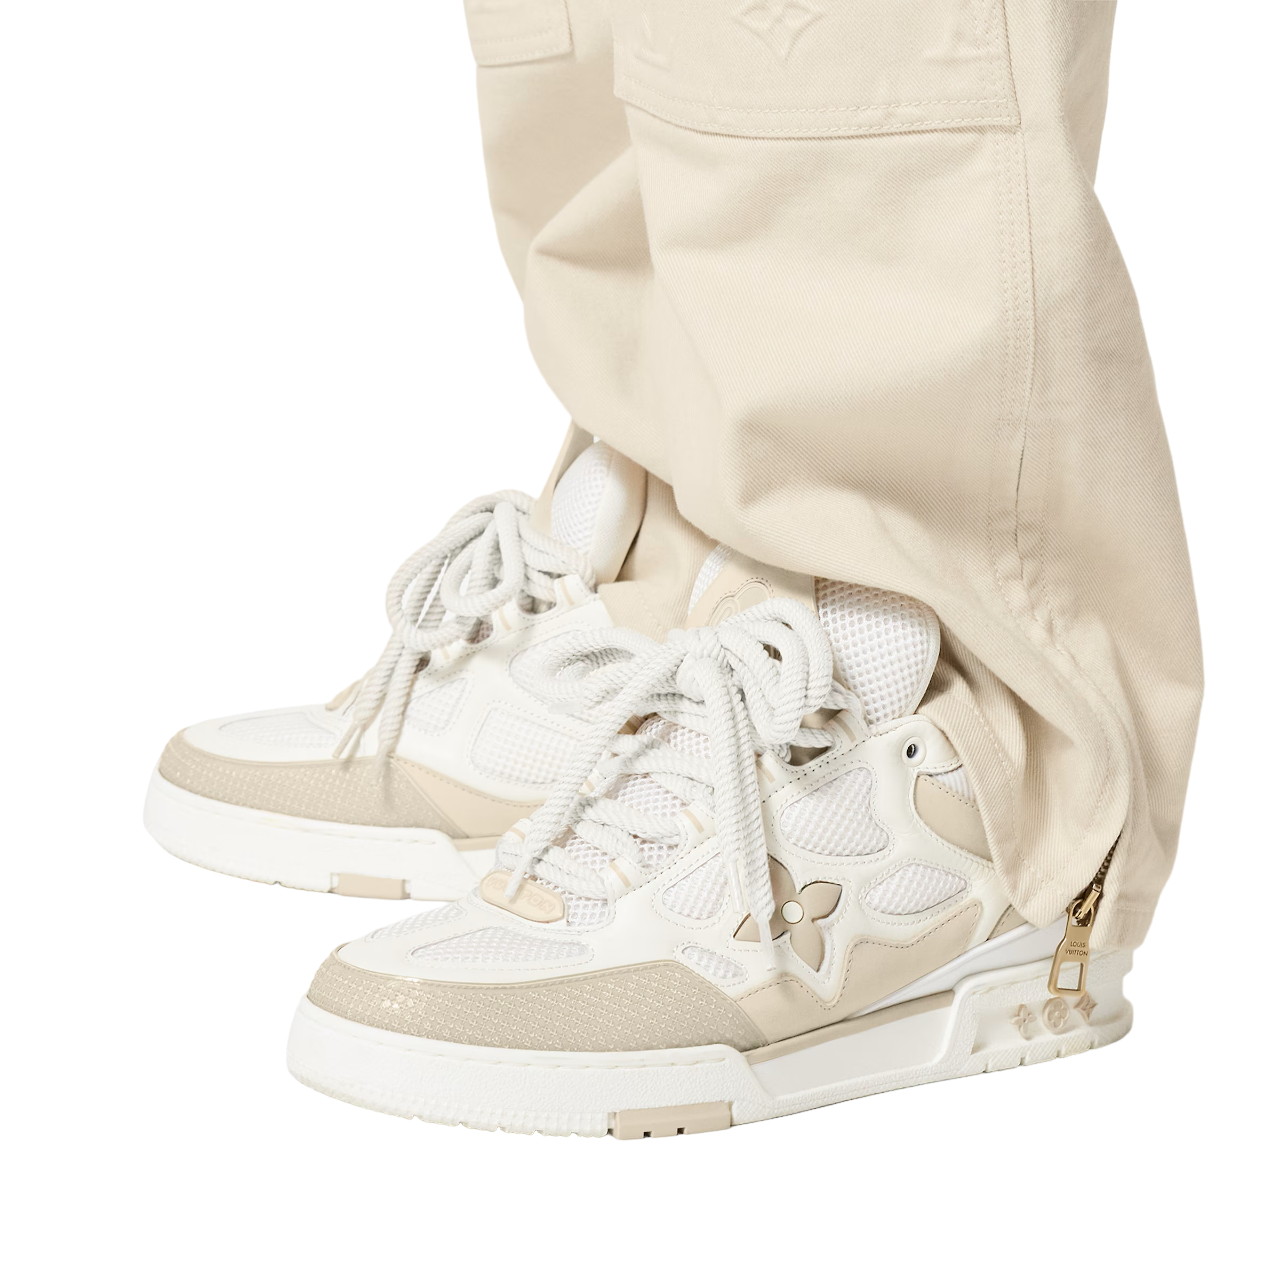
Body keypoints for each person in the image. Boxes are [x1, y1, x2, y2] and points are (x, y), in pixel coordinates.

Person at [148, 2, 1201, 1137]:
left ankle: (959, 770)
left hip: (965, 748)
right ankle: (680, 597)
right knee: (630, 60)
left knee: (830, 54)